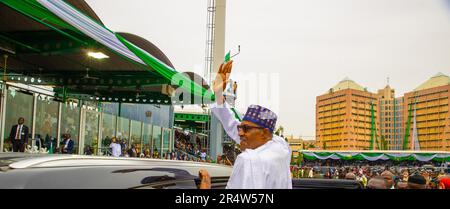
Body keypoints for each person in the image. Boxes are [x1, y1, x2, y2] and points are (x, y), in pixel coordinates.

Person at [199, 61, 292, 189]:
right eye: (241, 127)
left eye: (246, 129)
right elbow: (232, 125)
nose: (240, 133)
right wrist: (219, 95)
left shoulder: (249, 161)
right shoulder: (281, 147)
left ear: (264, 133)